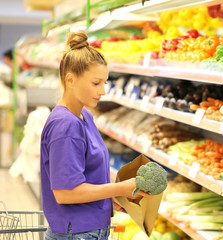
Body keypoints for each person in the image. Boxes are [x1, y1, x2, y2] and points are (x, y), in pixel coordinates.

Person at [40, 30, 149, 240]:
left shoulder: (84, 116)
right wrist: (119, 188)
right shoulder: (65, 126)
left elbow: (90, 170)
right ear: (70, 80)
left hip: (90, 229)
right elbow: (65, 193)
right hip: (76, 233)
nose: (103, 91)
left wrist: (114, 197)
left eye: (105, 83)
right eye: (96, 83)